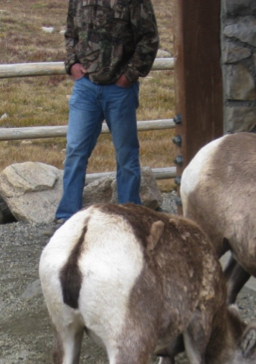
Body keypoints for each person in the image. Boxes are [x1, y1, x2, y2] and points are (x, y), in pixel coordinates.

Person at [54, 0, 160, 225]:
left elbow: (149, 38)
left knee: (126, 154)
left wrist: (129, 76)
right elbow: (71, 33)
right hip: (86, 88)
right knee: (75, 151)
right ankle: (67, 218)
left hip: (120, 91)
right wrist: (72, 63)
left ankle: (129, 217)